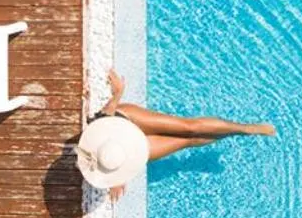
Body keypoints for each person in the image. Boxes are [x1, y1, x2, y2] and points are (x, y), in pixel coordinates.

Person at [75, 69, 274, 198]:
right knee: (188, 140)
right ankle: (232, 133)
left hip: (125, 120)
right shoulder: (96, 163)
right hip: (131, 152)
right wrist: (117, 176)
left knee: (189, 127)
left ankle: (245, 128)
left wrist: (118, 93)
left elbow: (104, 117)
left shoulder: (91, 140)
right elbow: (107, 167)